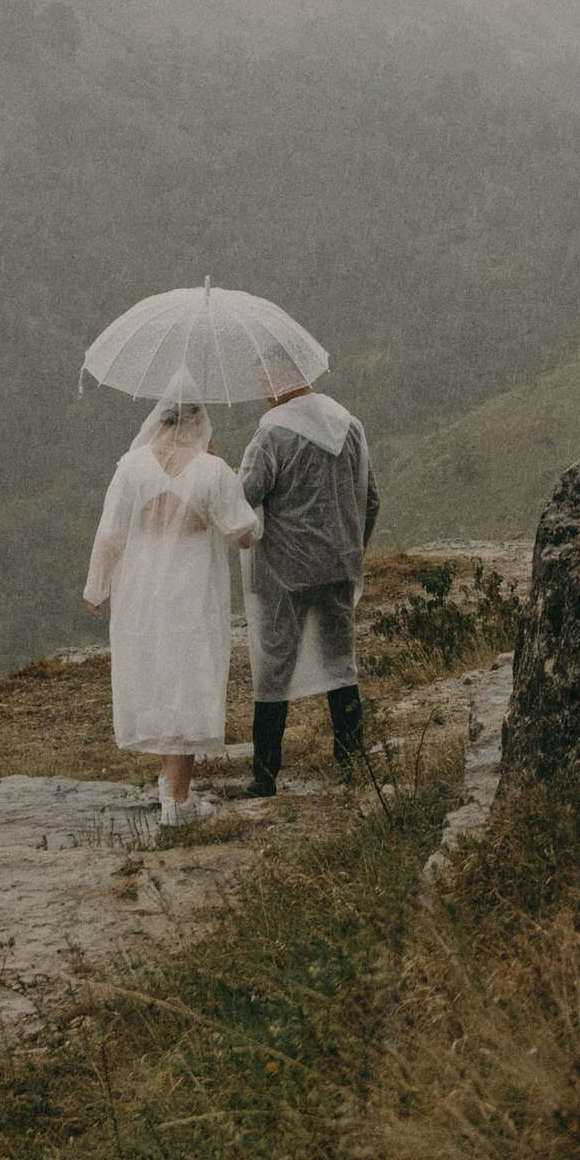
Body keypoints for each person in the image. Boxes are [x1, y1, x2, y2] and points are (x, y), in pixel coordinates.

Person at [84, 402, 262, 824]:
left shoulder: (130, 466)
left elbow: (110, 532)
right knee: (186, 679)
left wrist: (96, 587)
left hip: (141, 590)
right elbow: (243, 535)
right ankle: (179, 804)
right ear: (201, 424)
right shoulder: (211, 470)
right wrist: (234, 486)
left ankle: (171, 786)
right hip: (191, 589)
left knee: (159, 676)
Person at [240, 351, 380, 795]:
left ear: (283, 380)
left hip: (285, 575)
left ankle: (264, 777)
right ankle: (353, 764)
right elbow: (371, 499)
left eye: (264, 380)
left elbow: (245, 497)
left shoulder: (272, 435)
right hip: (338, 567)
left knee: (273, 670)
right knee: (341, 666)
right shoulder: (348, 425)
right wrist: (350, 551)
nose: (263, 391)